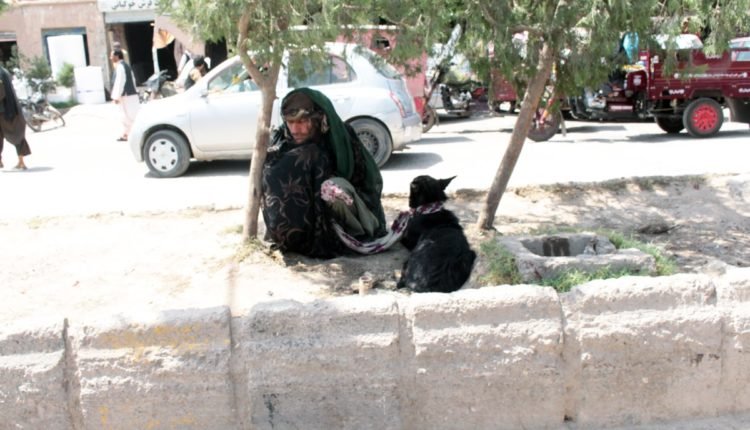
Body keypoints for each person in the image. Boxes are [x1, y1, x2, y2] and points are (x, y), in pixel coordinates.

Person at [261, 88, 387, 258]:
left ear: (319, 118)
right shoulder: (282, 140)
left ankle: (355, 235)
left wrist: (325, 178)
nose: (295, 129)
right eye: (290, 122)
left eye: (302, 121)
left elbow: (364, 182)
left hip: (349, 211)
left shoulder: (340, 137)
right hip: (307, 219)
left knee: (332, 189)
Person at [0, 65, 31, 170]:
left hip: (5, 112)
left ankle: (21, 162)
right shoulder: (3, 71)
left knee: (16, 135)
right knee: (16, 134)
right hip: (9, 110)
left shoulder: (1, 73)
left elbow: (1, 92)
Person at [110, 49, 140, 141]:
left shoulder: (121, 67)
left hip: (126, 96)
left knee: (128, 116)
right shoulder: (125, 66)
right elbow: (133, 79)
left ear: (117, 56)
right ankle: (126, 134)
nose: (110, 58)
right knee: (127, 116)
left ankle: (131, 134)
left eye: (112, 56)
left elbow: (120, 82)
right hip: (129, 94)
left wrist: (116, 96)